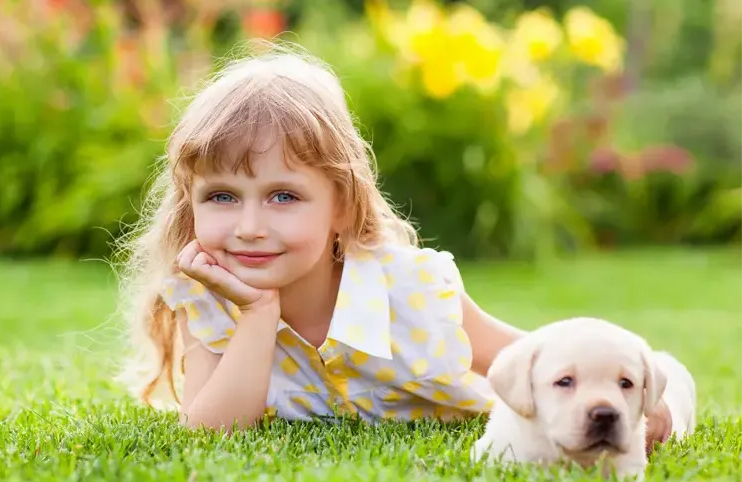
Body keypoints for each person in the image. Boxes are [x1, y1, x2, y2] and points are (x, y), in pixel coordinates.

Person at [111, 45, 677, 449]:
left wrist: (631, 398)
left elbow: (534, 359)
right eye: (222, 197)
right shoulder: (208, 300)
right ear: (191, 204)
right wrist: (258, 314)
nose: (249, 226)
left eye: (283, 196)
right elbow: (212, 433)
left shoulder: (409, 290)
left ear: (341, 206)